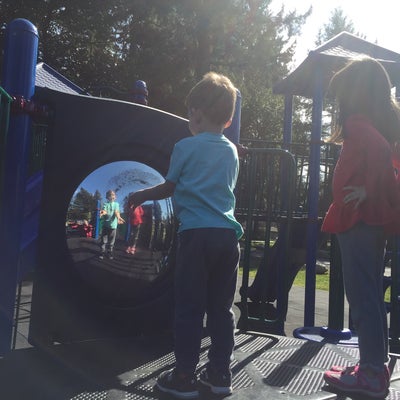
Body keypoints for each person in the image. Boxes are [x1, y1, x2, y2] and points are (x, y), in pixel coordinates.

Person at [129, 72, 243, 399]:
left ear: (196, 113)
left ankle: (183, 376)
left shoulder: (185, 147)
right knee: (221, 308)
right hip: (227, 237)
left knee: (190, 307)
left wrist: (140, 195)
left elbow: (169, 187)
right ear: (229, 117)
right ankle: (220, 372)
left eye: (191, 112)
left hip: (196, 236)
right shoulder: (231, 151)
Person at [321, 56, 400, 398]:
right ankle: (373, 365)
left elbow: (384, 155)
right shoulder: (368, 127)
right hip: (360, 221)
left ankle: (370, 371)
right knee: (364, 292)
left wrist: (369, 189)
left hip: (358, 222)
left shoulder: (363, 128)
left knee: (363, 294)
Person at [99, 190, 125, 260]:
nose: (111, 196)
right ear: (107, 197)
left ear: (115, 197)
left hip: (113, 227)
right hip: (105, 226)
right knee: (103, 241)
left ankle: (110, 252)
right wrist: (103, 212)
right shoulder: (106, 204)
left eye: (113, 195)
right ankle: (102, 252)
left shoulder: (116, 204)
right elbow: (104, 211)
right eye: (110, 195)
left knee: (111, 242)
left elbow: (116, 212)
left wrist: (119, 217)